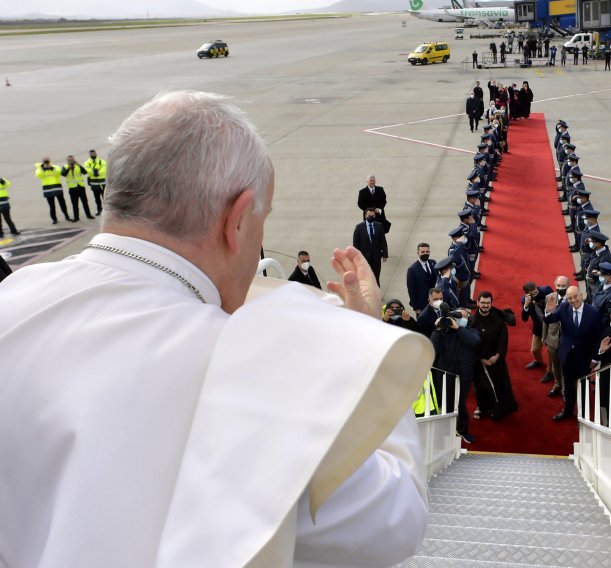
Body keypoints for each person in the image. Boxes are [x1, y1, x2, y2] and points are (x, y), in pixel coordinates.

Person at [0, 91, 434, 567]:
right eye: (261, 223)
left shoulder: (15, 298)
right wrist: (363, 345)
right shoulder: (249, 373)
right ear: (237, 221)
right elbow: (395, 520)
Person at [544, 286, 602, 421]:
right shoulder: (563, 308)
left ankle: (583, 416)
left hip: (584, 357)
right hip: (567, 355)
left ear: (581, 295)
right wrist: (548, 311)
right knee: (568, 386)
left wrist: (595, 358)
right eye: (570, 298)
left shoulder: (593, 312)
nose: (573, 300)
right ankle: (568, 411)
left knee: (583, 388)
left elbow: (597, 337)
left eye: (575, 297)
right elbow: (549, 320)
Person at [430, 306, 480, 443]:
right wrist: (437, 329)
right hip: (445, 374)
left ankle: (462, 430)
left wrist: (458, 328)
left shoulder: (471, 331)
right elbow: (432, 348)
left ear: (468, 319)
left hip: (463, 375)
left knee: (461, 405)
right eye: (457, 316)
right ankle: (445, 431)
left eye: (463, 316)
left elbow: (474, 342)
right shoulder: (444, 333)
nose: (460, 319)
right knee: (445, 403)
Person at [470, 291, 518, 421]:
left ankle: (494, 407)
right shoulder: (472, 321)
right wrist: (481, 359)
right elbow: (471, 343)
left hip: (496, 359)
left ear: (491, 303)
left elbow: (503, 339)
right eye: (483, 303)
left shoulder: (498, 319)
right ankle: (481, 407)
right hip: (479, 361)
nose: (485, 305)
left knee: (498, 384)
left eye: (488, 303)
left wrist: (497, 355)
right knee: (479, 386)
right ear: (478, 303)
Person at [541, 276, 569, 397]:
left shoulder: (572, 298)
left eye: (563, 286)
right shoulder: (550, 297)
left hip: (567, 340)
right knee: (555, 365)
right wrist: (544, 336)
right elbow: (546, 318)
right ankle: (557, 385)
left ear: (568, 285)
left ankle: (565, 391)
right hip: (552, 338)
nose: (560, 288)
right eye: (558, 286)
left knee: (565, 367)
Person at [352, 207, 388, 285]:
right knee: (365, 277)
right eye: (369, 216)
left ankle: (377, 295)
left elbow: (383, 241)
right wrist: (356, 257)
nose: (371, 217)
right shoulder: (359, 227)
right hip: (364, 258)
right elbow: (355, 243)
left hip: (376, 257)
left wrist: (385, 254)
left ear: (375, 216)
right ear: (365, 216)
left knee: (376, 277)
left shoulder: (379, 226)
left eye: (372, 216)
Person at [35, 157, 72, 224]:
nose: (47, 163)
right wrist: (44, 169)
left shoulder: (55, 167)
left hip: (57, 187)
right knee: (51, 205)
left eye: (47, 161)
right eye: (45, 162)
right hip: (47, 189)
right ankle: (54, 219)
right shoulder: (40, 169)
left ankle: (67, 216)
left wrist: (51, 168)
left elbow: (58, 173)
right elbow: (39, 175)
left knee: (62, 203)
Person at [407, 242, 438, 315]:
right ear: (418, 253)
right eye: (423, 252)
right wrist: (416, 308)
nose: (425, 253)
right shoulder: (412, 269)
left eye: (427, 251)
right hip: (422, 304)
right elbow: (411, 291)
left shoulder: (433, 262)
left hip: (435, 302)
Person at [61, 155, 95, 221]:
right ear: (67, 161)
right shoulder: (65, 167)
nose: (71, 161)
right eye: (69, 160)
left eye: (72, 160)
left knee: (85, 202)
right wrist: (69, 168)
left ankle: (88, 215)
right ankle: (76, 217)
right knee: (75, 204)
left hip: (80, 187)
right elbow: (63, 174)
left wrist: (79, 165)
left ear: (74, 160)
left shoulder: (78, 166)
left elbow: (85, 172)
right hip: (72, 188)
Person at [521, 281, 545, 369]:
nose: (536, 294)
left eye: (536, 292)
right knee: (534, 350)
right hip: (538, 328)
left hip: (551, 327)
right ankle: (538, 361)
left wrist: (541, 301)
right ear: (527, 294)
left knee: (551, 353)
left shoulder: (545, 290)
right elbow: (524, 319)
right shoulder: (525, 300)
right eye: (533, 294)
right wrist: (526, 306)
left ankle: (551, 371)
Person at [84, 149, 107, 216]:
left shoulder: (102, 161)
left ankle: (106, 211)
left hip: (103, 183)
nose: (92, 155)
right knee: (97, 199)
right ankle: (99, 210)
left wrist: (98, 173)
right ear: (89, 155)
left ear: (96, 154)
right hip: (94, 184)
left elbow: (104, 169)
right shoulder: (87, 162)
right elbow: (87, 169)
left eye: (93, 154)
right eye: (91, 154)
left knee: (105, 198)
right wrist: (94, 172)